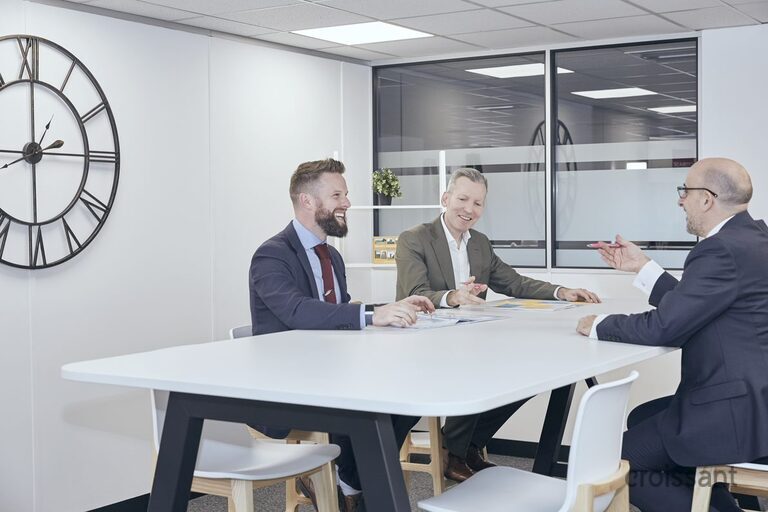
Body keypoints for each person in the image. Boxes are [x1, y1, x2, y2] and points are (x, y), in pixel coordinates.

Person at [576, 157, 768, 511]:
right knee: (642, 418)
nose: (681, 199)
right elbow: (698, 305)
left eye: (685, 190)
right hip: (756, 398)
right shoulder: (754, 237)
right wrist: (643, 267)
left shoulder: (719, 249)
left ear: (706, 199)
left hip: (734, 410)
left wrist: (600, 324)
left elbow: (666, 327)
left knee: (613, 463)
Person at [249, 158, 434, 512]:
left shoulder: (332, 256)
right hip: (289, 384)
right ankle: (354, 488)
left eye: (345, 195)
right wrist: (371, 315)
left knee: (409, 398)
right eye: (337, 195)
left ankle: (349, 484)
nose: (347, 203)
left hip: (334, 374)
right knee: (372, 409)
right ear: (307, 200)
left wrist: (391, 307)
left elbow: (339, 311)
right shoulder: (271, 255)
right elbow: (298, 311)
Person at [395, 167, 601, 482]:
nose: (469, 209)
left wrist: (561, 291)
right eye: (463, 199)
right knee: (479, 372)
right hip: (424, 345)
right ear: (446, 198)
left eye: (478, 203)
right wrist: (453, 296)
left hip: (469, 342)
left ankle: (465, 446)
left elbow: (514, 282)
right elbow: (416, 293)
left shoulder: (479, 243)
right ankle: (455, 451)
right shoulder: (414, 238)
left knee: (525, 376)